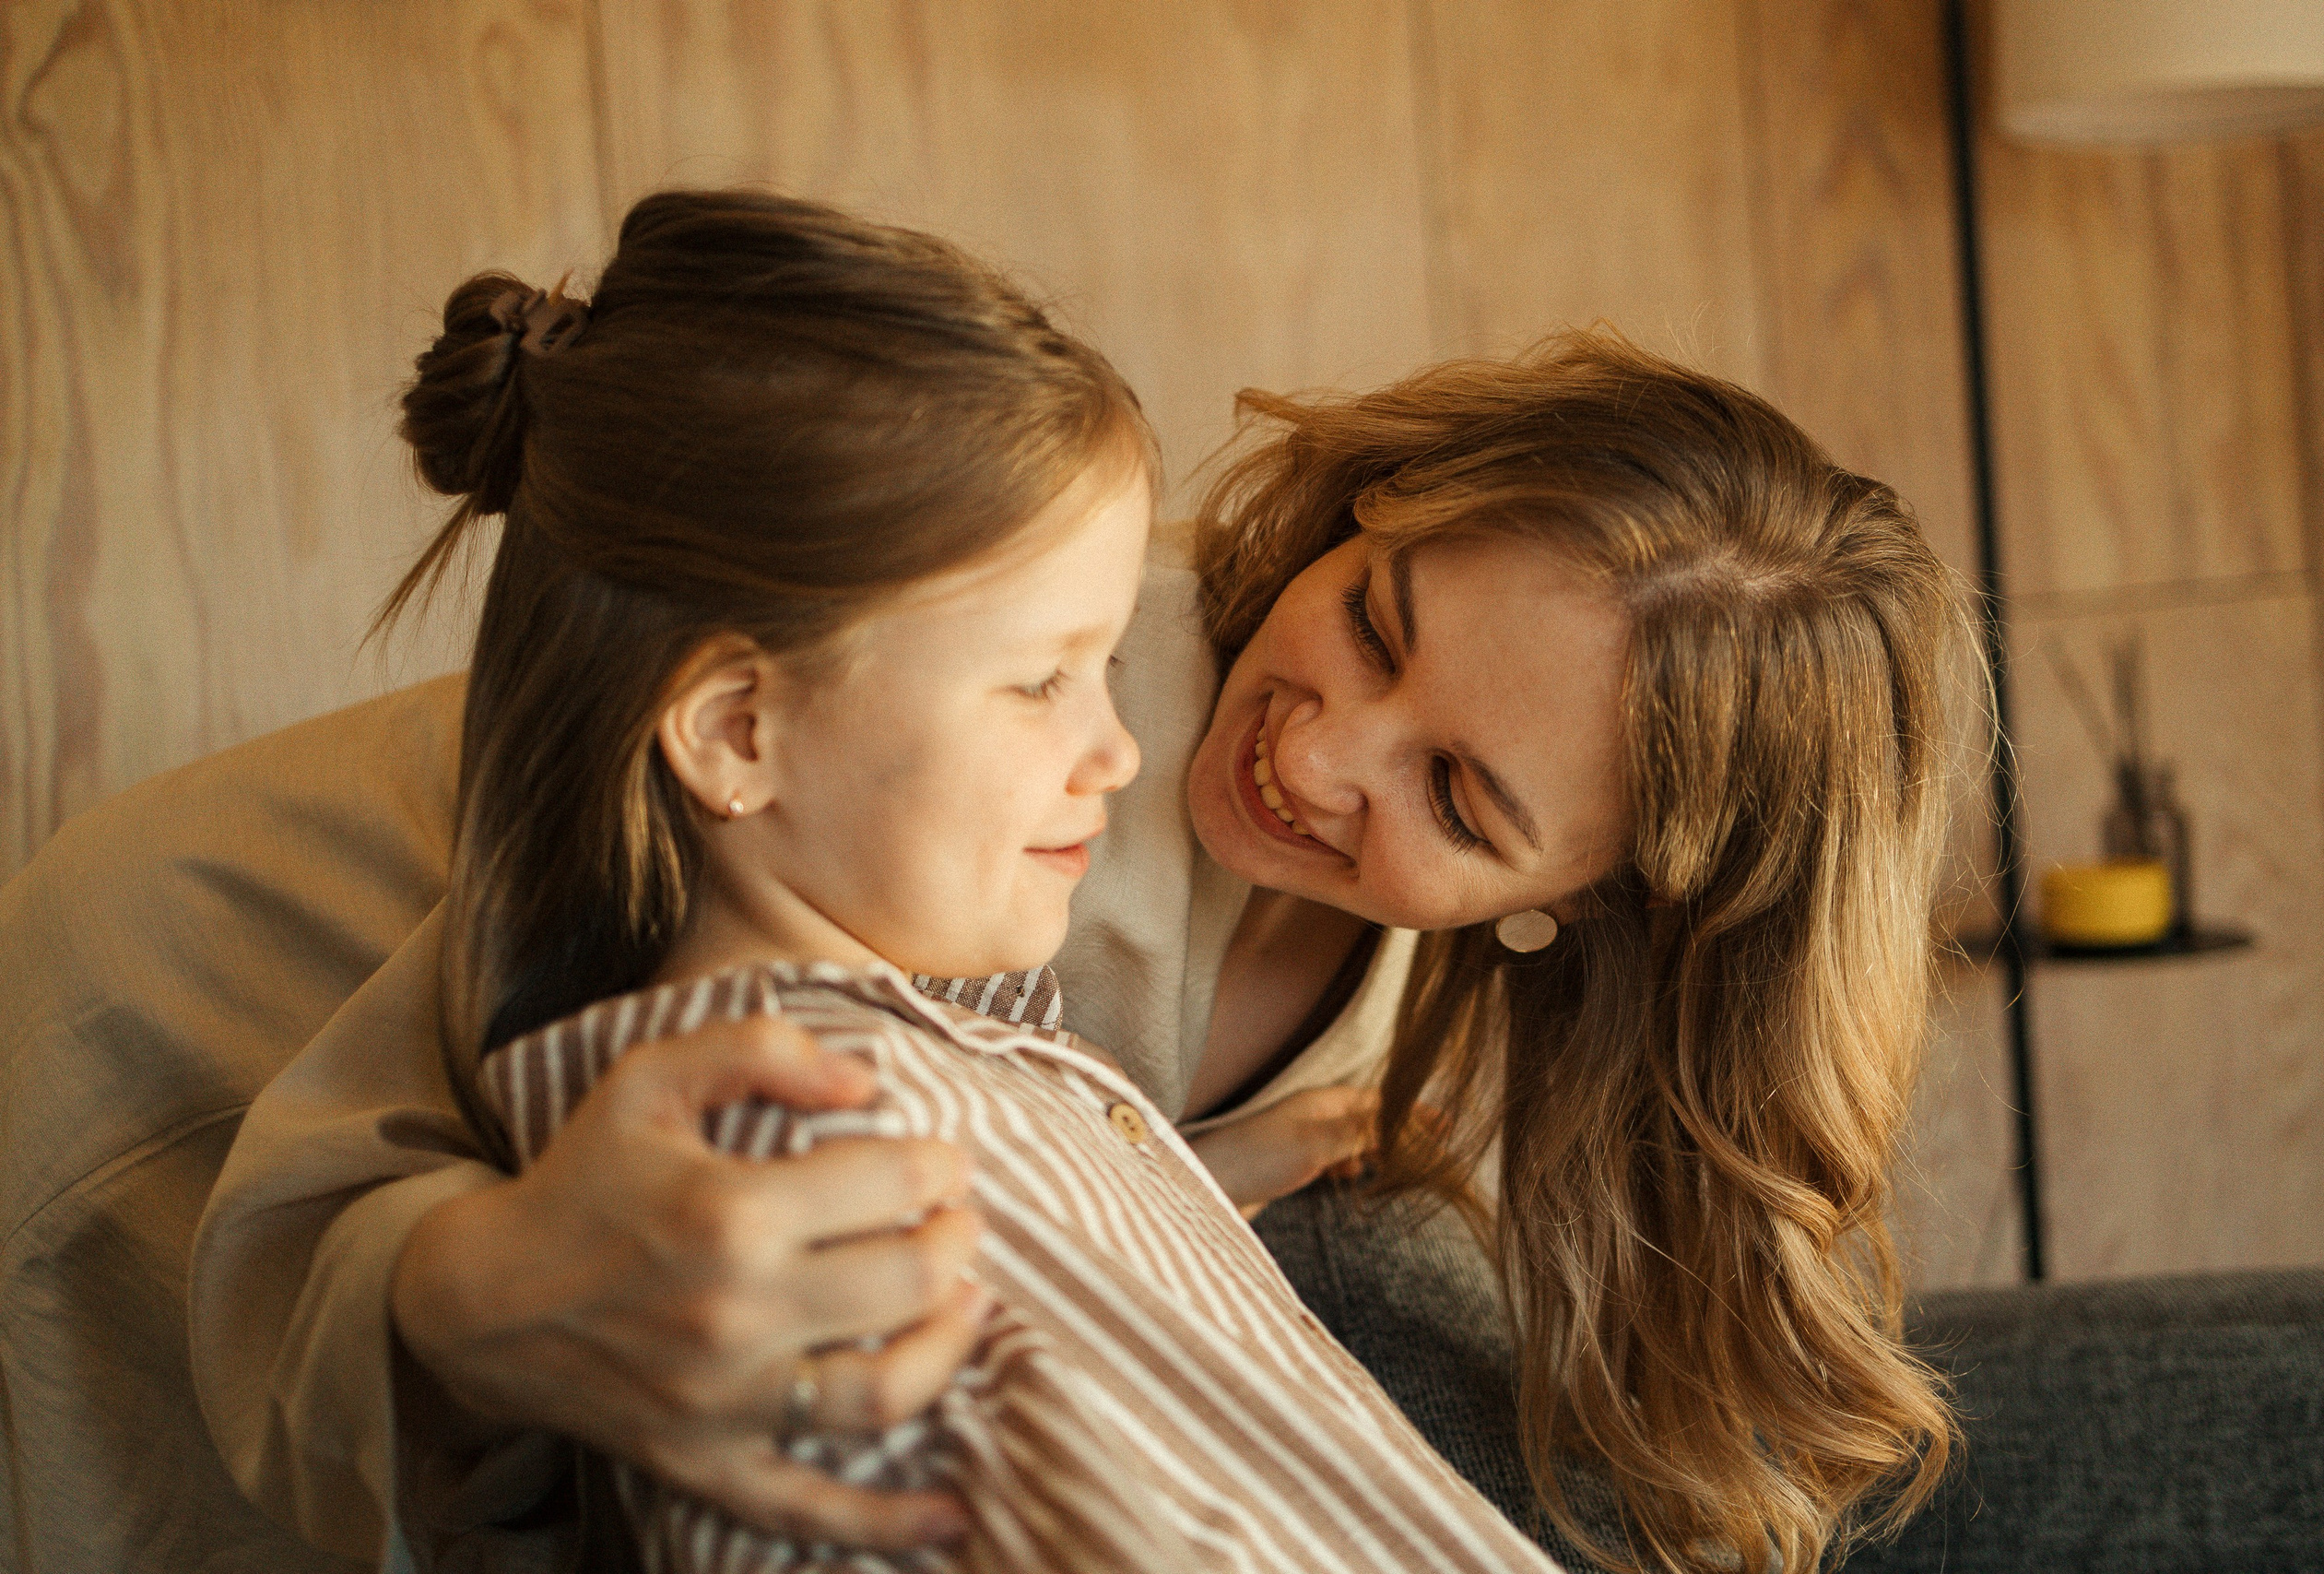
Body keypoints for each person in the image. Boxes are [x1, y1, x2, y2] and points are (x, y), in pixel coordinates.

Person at [0, 196, 1955, 1574]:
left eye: (1455, 790)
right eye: (1369, 619)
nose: (1319, 745)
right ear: (1374, 506)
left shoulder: (1359, 984)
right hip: (152, 1068)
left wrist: (1174, 1183)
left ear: (1581, 903)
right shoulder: (998, 748)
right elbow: (399, 1155)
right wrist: (486, 1281)